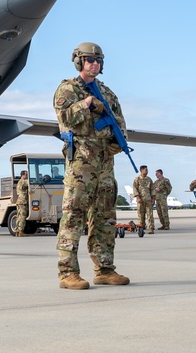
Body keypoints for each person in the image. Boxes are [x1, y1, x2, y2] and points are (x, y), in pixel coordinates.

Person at [54, 42, 130, 290]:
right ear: (79, 62)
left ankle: (105, 269)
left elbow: (120, 125)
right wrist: (86, 103)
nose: (94, 64)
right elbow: (64, 118)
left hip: (105, 165)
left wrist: (116, 146)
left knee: (105, 218)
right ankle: (67, 273)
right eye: (89, 60)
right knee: (73, 217)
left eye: (98, 61)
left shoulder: (107, 93)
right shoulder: (68, 89)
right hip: (81, 166)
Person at [132, 165, 155, 234]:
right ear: (141, 170)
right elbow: (135, 188)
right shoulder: (137, 179)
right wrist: (138, 197)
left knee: (150, 214)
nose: (147, 171)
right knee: (140, 214)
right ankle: (141, 226)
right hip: (140, 200)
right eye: (145, 170)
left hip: (148, 199)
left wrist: (153, 199)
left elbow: (152, 189)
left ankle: (151, 228)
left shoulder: (149, 179)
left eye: (147, 170)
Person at [14, 170, 29, 236]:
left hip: (19, 201)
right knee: (22, 217)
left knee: (19, 216)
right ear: (23, 175)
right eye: (26, 174)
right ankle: (20, 232)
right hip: (23, 201)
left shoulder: (19, 182)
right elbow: (30, 183)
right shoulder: (23, 181)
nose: (27, 176)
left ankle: (17, 231)